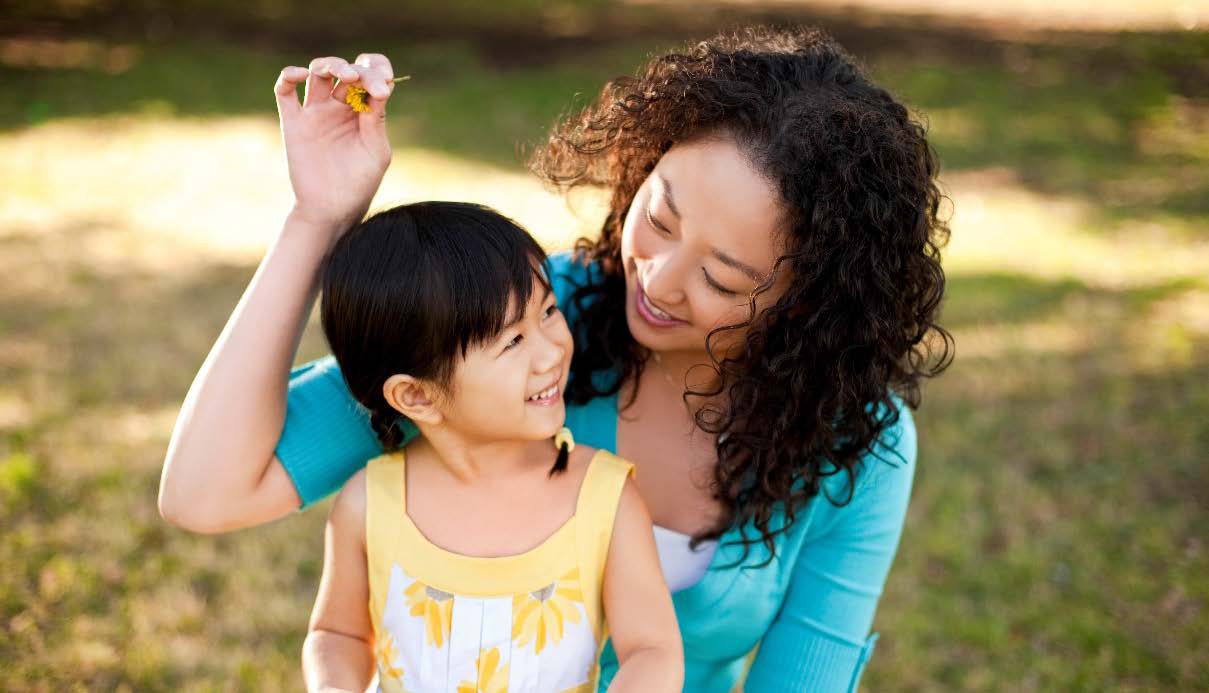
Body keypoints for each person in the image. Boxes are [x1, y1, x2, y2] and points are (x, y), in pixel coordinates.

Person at [160, 25, 952, 692]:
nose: (658, 279)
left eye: (721, 277)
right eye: (661, 216)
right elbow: (206, 494)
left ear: (809, 300)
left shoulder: (856, 442)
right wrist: (317, 218)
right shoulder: (536, 324)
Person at [302, 201, 681, 692]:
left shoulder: (604, 500)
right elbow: (338, 633)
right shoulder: (369, 506)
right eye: (512, 342)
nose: (551, 351)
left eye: (548, 312)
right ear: (416, 395)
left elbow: (652, 650)